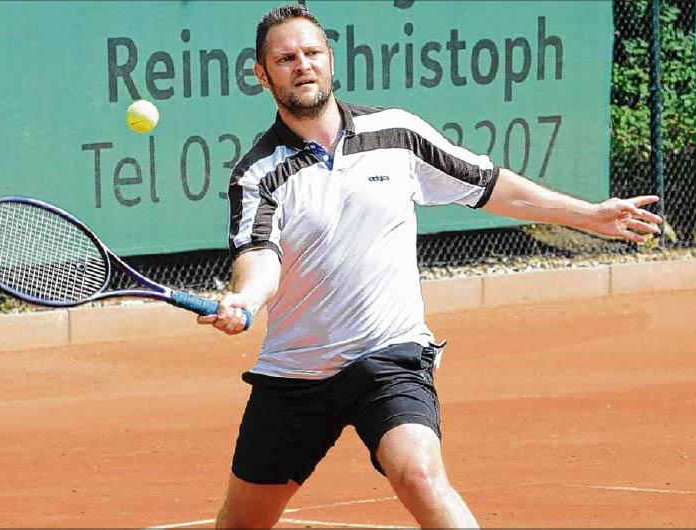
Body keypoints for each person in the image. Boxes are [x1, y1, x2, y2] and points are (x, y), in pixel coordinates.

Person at [197, 4, 662, 528]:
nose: (302, 65)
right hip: (297, 369)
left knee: (418, 473)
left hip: (388, 354)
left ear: (330, 60)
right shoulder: (257, 174)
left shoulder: (396, 133)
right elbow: (259, 255)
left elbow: (489, 185)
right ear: (263, 75)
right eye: (285, 59)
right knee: (243, 522)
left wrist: (588, 215)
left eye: (312, 53)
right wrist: (245, 298)